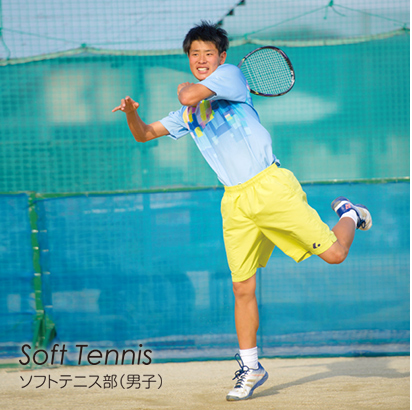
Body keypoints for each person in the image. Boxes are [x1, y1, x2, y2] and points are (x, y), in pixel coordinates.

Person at [112, 21, 372, 401]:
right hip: (234, 201)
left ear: (222, 57)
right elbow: (145, 134)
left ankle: (349, 213)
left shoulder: (231, 76)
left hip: (270, 187)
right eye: (194, 54)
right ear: (188, 57)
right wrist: (131, 113)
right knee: (241, 287)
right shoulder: (188, 114)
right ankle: (251, 368)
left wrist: (184, 89)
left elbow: (188, 94)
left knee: (335, 254)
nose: (201, 60)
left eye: (208, 53)